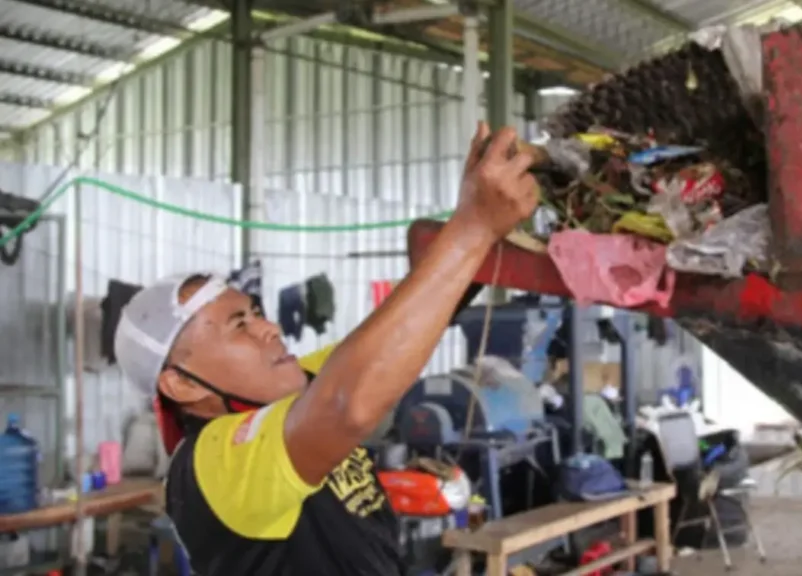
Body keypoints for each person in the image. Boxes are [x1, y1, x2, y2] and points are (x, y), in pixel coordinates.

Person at [114, 123, 538, 576]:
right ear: (179, 382)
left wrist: (477, 225)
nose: (270, 328)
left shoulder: (300, 386)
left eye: (257, 312)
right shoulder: (208, 467)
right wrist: (472, 229)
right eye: (239, 325)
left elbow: (391, 339)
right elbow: (347, 403)